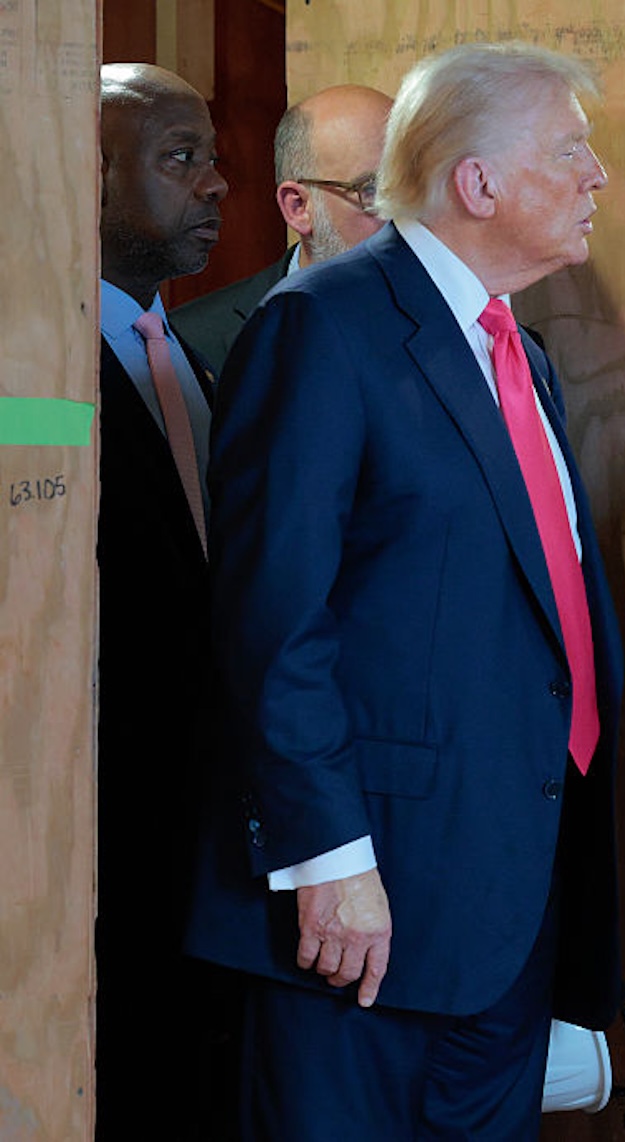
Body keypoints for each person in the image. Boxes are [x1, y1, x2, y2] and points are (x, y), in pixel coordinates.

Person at [183, 42, 622, 1140]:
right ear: (478, 182)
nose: (597, 175)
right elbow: (274, 621)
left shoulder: (518, 350)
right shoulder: (322, 325)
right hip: (359, 916)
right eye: (571, 151)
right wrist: (329, 857)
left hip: (505, 911)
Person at [95, 61, 242, 1138]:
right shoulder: (31, 370)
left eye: (214, 158)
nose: (216, 184)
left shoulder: (192, 355)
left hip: (212, 847)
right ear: (89, 175)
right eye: (180, 158)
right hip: (103, 842)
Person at [172, 84, 393, 373]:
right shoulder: (190, 345)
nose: (407, 217)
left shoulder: (447, 317)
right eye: (374, 190)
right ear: (298, 207)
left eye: (417, 189)